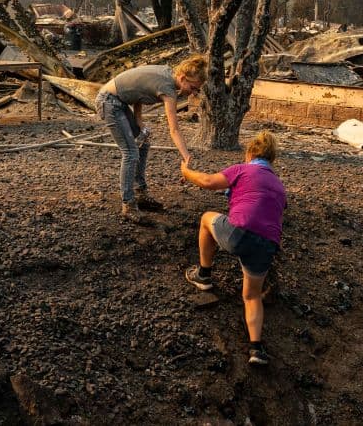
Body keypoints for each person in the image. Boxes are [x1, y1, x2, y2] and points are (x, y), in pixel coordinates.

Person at [180, 131, 287, 366]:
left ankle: (204, 275)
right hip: (267, 245)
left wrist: (187, 173)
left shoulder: (243, 169)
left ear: (249, 153)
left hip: (240, 233)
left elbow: (208, 182)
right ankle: (256, 349)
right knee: (251, 296)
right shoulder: (279, 185)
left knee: (207, 218)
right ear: (272, 159)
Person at [95, 54, 206, 223]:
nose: (194, 93)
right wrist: (186, 156)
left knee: (143, 142)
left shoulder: (168, 73)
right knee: (130, 152)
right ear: (183, 78)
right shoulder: (168, 89)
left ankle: (140, 193)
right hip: (109, 102)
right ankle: (128, 205)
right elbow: (174, 129)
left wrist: (139, 122)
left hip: (120, 101)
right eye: (193, 87)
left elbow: (138, 89)